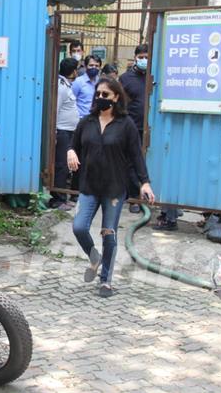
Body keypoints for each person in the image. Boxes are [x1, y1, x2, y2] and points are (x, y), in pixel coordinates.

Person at [68, 78, 155, 298]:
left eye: (105, 94)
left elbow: (136, 156)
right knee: (79, 227)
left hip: (114, 189)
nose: (100, 98)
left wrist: (144, 182)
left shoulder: (126, 125)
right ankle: (93, 257)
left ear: (116, 97)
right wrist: (70, 152)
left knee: (109, 234)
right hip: (89, 186)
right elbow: (74, 145)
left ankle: (106, 280)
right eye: (98, 94)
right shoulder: (86, 122)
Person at [119, 44, 149, 214]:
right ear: (136, 57)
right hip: (132, 126)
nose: (144, 60)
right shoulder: (125, 79)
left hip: (152, 128)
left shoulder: (154, 76)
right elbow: (120, 104)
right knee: (131, 162)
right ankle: (133, 198)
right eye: (141, 56)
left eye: (147, 57)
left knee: (147, 161)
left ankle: (149, 194)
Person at [49, 58, 79, 210]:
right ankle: (58, 200)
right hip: (62, 131)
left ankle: (62, 197)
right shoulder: (61, 87)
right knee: (61, 165)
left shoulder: (66, 85)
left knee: (66, 166)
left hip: (68, 131)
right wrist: (54, 132)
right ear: (73, 71)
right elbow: (55, 109)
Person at [72, 55, 102, 119]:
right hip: (81, 119)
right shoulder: (78, 82)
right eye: (91, 65)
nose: (94, 67)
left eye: (97, 66)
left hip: (96, 119)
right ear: (85, 66)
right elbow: (72, 101)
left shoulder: (101, 82)